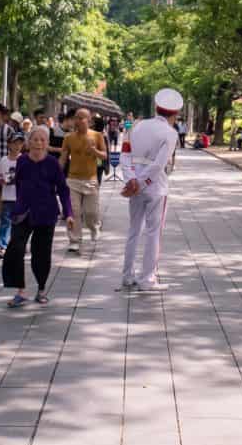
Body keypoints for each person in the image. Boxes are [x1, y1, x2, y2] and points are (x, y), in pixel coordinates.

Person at [2, 127, 74, 308]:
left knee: (41, 254)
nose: (39, 143)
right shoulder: (22, 162)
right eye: (35, 139)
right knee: (15, 248)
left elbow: (63, 190)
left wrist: (69, 213)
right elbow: (19, 184)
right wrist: (19, 204)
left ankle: (41, 289)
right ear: (29, 142)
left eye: (43, 140)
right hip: (23, 212)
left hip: (46, 212)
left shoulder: (52, 163)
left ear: (47, 143)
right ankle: (21, 291)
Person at [121, 88, 182, 293]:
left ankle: (127, 276)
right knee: (153, 233)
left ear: (156, 108)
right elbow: (159, 165)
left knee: (133, 230)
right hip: (155, 187)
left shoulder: (137, 126)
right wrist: (142, 182)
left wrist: (131, 181)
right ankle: (147, 278)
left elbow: (125, 155)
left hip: (134, 185)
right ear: (175, 113)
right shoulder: (171, 133)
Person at [60, 108, 107, 253]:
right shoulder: (68, 138)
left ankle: (94, 227)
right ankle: (74, 240)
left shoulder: (97, 136)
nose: (78, 121)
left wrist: (94, 151)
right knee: (74, 211)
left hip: (90, 179)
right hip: (72, 180)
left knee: (90, 213)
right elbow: (63, 158)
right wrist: (56, 172)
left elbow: (104, 156)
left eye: (81, 118)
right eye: (76, 118)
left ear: (89, 121)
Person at [0, 133, 24, 258]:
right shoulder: (3, 160)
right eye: (15, 143)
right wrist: (2, 181)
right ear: (9, 144)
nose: (17, 146)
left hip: (21, 198)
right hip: (7, 197)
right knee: (5, 222)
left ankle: (19, 245)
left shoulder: (24, 159)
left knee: (20, 223)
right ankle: (3, 246)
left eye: (20, 143)